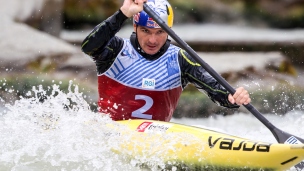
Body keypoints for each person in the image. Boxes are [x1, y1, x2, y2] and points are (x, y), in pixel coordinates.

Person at [81, 0, 251, 121]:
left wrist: (232, 97)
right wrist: (123, 14)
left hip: (157, 145)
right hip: (111, 137)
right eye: (146, 31)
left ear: (169, 30)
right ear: (135, 27)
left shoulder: (180, 59)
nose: (152, 40)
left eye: (160, 32)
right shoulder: (115, 50)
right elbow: (88, 46)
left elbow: (214, 88)